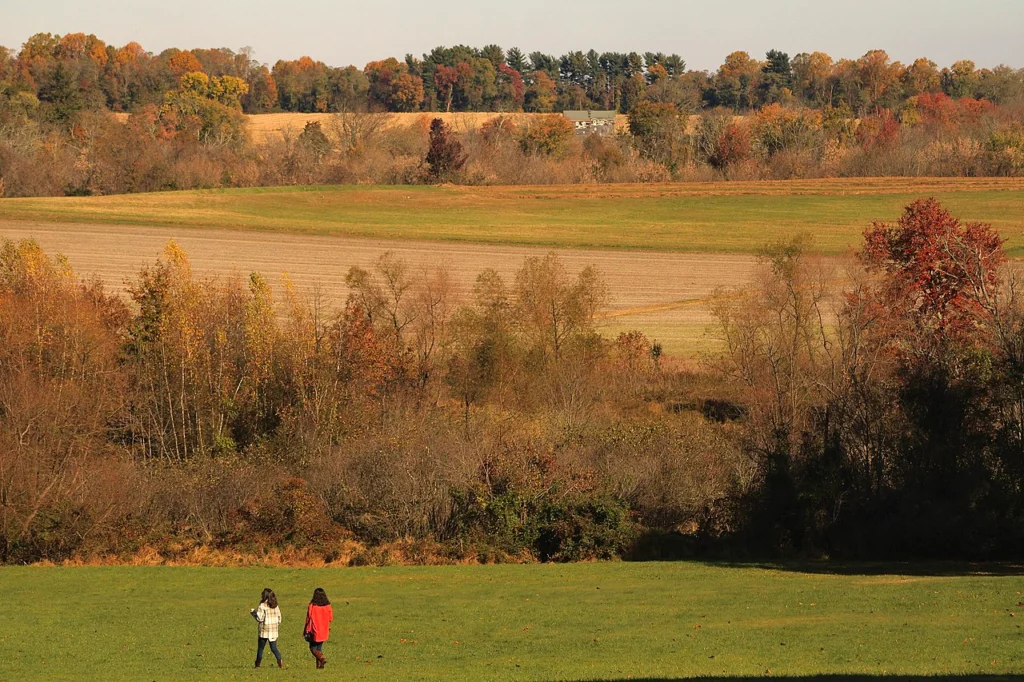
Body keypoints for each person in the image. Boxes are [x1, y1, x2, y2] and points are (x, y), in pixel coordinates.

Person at [250, 587, 284, 668]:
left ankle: (257, 664)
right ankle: (280, 661)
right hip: (273, 630)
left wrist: (253, 613)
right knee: (274, 648)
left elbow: (260, 618)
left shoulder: (262, 606)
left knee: (261, 648)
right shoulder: (275, 605)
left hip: (264, 630)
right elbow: (279, 618)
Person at [303, 587, 333, 669]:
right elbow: (331, 618)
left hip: (314, 630)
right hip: (324, 630)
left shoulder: (312, 606)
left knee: (312, 648)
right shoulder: (328, 606)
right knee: (319, 648)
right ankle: (319, 666)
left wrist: (305, 630)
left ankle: (321, 658)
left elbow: (308, 618)